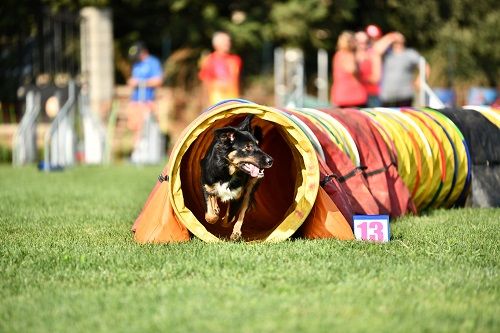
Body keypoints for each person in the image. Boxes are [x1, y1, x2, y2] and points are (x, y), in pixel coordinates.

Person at [379, 32, 429, 107]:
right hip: (387, 96)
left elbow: (425, 66)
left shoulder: (410, 53)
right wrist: (391, 36)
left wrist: (420, 80)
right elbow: (376, 50)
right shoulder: (387, 54)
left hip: (405, 96)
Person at [126, 41, 163, 140]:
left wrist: (140, 83)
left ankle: (142, 150)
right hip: (135, 101)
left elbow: (158, 81)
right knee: (134, 127)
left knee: (143, 127)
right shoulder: (136, 64)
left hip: (147, 101)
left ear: (143, 52)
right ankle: (137, 150)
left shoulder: (153, 62)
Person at [198, 32, 242, 107]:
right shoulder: (209, 60)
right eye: (225, 42)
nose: (228, 44)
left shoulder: (235, 60)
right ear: (216, 44)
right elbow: (205, 82)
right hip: (216, 103)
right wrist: (206, 102)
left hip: (233, 101)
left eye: (228, 41)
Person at [330, 31, 367, 108]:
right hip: (350, 97)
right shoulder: (346, 55)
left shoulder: (338, 55)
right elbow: (352, 69)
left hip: (346, 97)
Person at [355, 31, 382, 107]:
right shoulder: (352, 56)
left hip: (371, 95)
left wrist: (359, 79)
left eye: (365, 42)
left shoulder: (373, 55)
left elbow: (376, 77)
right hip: (355, 96)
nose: (363, 45)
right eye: (360, 42)